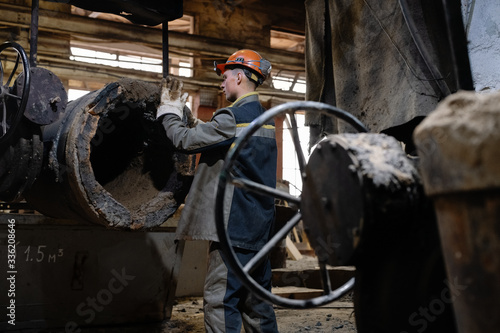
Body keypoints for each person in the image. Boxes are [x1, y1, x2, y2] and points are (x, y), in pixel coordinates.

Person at [157, 49, 279, 333]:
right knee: (257, 303)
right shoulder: (266, 119)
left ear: (239, 76)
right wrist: (193, 121)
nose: (221, 84)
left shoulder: (232, 116)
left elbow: (184, 141)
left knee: (221, 300)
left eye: (225, 78)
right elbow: (222, 139)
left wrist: (169, 112)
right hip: (259, 229)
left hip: (233, 231)